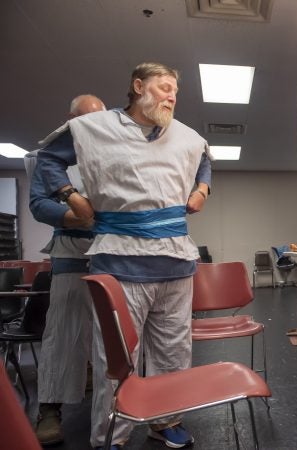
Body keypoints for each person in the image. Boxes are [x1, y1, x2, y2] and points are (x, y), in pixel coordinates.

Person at [36, 62, 212, 450]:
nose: (171, 96)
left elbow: (204, 161)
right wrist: (73, 196)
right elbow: (47, 159)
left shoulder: (188, 136)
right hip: (120, 262)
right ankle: (110, 434)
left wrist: (202, 190)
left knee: (174, 351)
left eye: (175, 92)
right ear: (138, 85)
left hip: (176, 262)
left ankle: (166, 422)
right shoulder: (92, 128)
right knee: (115, 360)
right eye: (164, 87)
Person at [25, 94, 106, 446]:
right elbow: (39, 205)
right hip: (71, 250)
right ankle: (50, 410)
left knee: (116, 334)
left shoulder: (115, 152)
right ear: (70, 120)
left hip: (115, 253)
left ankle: (120, 402)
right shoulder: (50, 159)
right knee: (63, 331)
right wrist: (72, 215)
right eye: (85, 121)